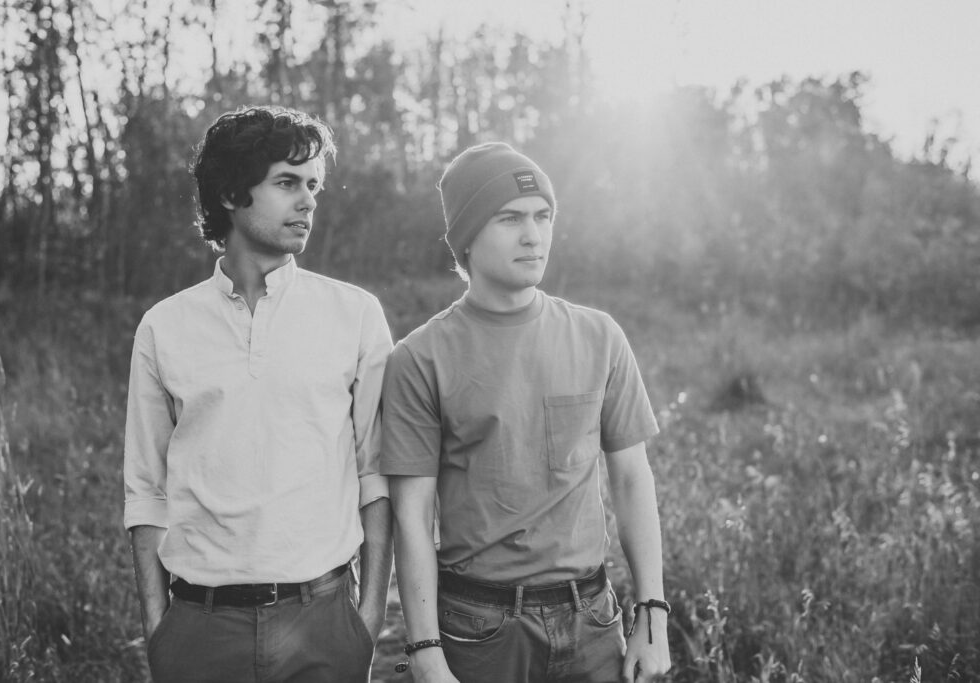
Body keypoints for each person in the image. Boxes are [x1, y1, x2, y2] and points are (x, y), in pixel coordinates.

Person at [381, 142, 671, 682]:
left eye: (543, 216)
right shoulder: (419, 358)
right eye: (510, 218)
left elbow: (632, 478)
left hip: (592, 621)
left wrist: (652, 613)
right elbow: (412, 516)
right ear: (467, 237)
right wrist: (424, 649)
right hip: (479, 629)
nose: (533, 235)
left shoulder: (599, 336)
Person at [123, 106, 393, 683]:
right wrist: (159, 628)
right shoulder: (164, 327)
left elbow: (376, 474)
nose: (308, 201)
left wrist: (367, 618)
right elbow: (146, 490)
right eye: (287, 183)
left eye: (314, 185)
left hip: (324, 622)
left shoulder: (356, 315)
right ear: (230, 193)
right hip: (200, 629)